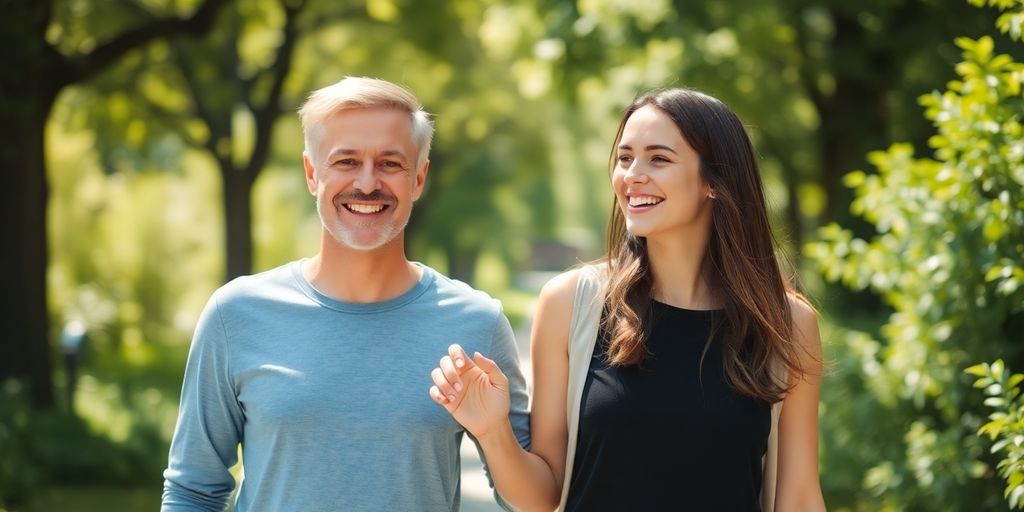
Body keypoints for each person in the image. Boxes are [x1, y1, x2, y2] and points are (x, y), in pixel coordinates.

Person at [429, 87, 826, 511]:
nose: (632, 175)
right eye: (624, 158)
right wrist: (493, 433)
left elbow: (799, 497)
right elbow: (542, 497)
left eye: (659, 158)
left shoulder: (784, 323)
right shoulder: (572, 304)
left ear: (714, 181)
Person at [162, 76, 531, 511]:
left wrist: (494, 434)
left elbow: (532, 503)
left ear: (418, 178)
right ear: (312, 173)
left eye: (391, 163)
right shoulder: (236, 314)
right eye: (346, 161)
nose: (368, 182)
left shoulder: (476, 323)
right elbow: (193, 491)